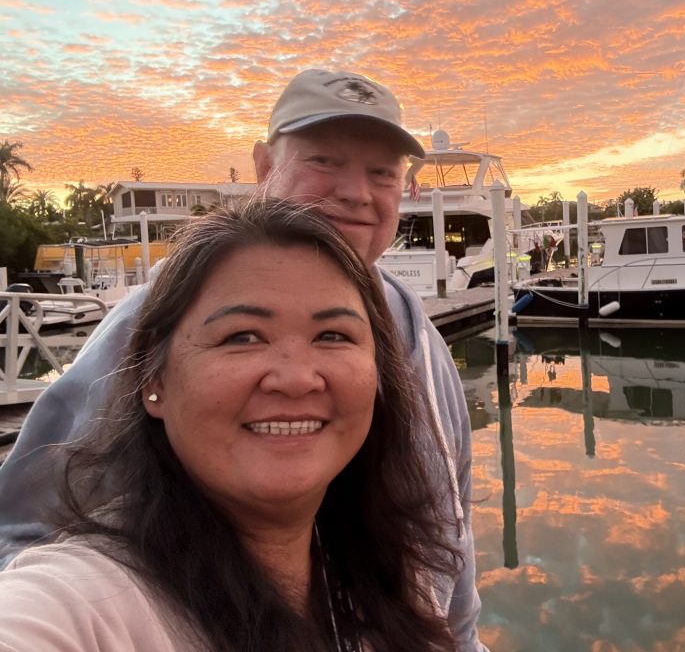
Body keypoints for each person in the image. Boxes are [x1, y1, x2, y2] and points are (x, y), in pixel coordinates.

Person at [0, 69, 486, 650]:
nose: (356, 192)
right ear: (263, 167)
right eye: (325, 160)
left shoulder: (415, 330)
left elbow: (447, 517)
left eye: (381, 172)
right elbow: (25, 533)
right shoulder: (170, 308)